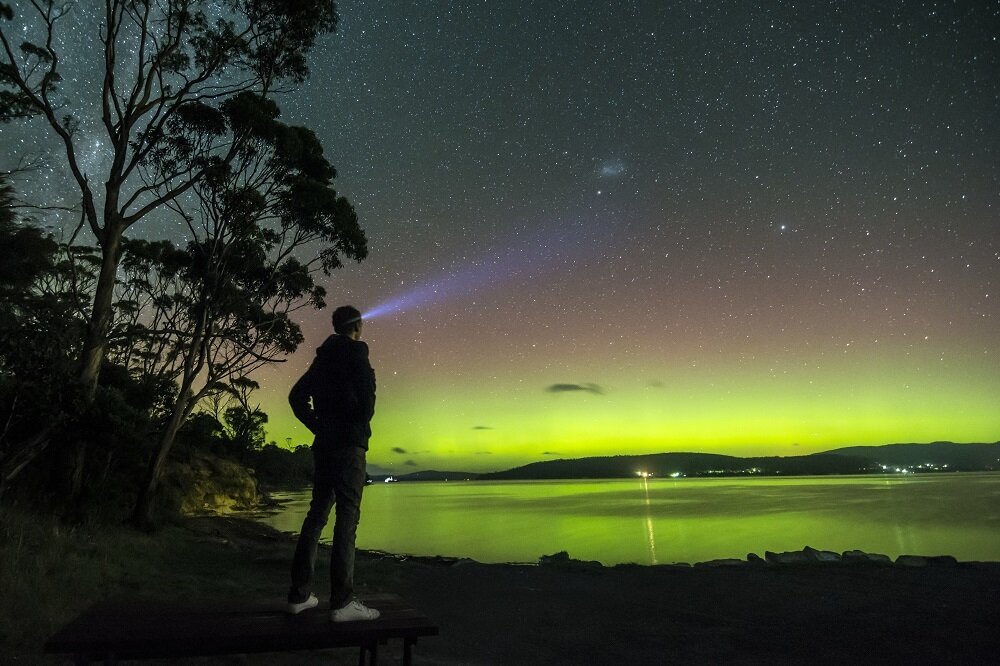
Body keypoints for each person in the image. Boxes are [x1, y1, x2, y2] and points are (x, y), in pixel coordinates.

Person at [286, 305, 380, 622]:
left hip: (324, 446)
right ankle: (342, 602)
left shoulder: (322, 359)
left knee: (316, 517)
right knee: (347, 519)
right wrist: (352, 424)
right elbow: (367, 406)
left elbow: (296, 397)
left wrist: (319, 426)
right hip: (348, 448)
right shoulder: (357, 352)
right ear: (358, 326)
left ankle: (299, 596)